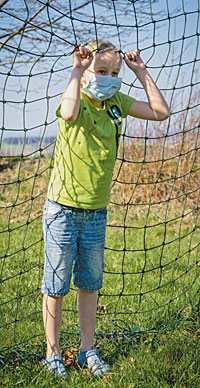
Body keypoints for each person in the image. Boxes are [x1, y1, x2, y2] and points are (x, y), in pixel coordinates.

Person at [41, 40, 170, 379]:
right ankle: (52, 354)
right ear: (86, 73)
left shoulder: (116, 102)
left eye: (115, 72)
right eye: (102, 71)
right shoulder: (76, 98)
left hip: (96, 212)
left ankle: (87, 349)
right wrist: (76, 72)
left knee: (90, 283)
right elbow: (67, 113)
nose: (109, 78)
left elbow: (161, 112)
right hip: (62, 210)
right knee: (56, 285)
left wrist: (140, 73)